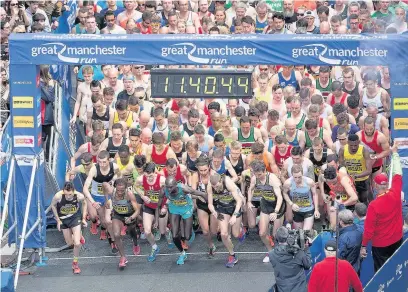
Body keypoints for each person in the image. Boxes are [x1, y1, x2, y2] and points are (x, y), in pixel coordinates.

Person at [360, 142, 404, 272]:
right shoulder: (396, 193)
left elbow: (369, 230)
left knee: (382, 273)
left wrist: (363, 246)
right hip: (397, 239)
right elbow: (398, 173)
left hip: (381, 245)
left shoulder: (373, 206)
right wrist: (395, 153)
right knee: (397, 269)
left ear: (375, 185)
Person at [160, 176, 207, 265]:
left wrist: (211, 206)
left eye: (171, 187)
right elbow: (158, 205)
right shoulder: (163, 190)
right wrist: (159, 215)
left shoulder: (184, 188)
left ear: (176, 185)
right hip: (174, 208)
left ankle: (188, 229)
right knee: (174, 236)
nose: (169, 189)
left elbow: (202, 194)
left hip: (186, 208)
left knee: (187, 237)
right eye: (167, 187)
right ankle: (182, 253)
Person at [247, 160, 285, 263]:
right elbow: (250, 189)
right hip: (265, 204)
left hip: (277, 206)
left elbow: (280, 197)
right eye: (256, 174)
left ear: (265, 171)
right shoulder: (255, 178)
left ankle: (278, 251)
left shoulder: (273, 179)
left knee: (276, 235)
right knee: (262, 233)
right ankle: (270, 252)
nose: (258, 176)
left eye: (260, 174)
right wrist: (249, 201)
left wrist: (276, 211)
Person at [83, 150, 120, 253]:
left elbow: (119, 176)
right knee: (98, 218)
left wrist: (113, 181)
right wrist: (93, 202)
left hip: (107, 197)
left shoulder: (114, 167)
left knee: (107, 221)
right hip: (96, 198)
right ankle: (99, 225)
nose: (102, 164)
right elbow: (85, 189)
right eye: (99, 162)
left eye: (104, 162)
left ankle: (113, 241)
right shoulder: (94, 169)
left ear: (109, 160)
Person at [207, 173, 245, 268]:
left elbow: (239, 201)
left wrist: (234, 216)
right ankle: (232, 255)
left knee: (235, 234)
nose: (215, 189)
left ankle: (241, 230)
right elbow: (210, 204)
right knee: (224, 234)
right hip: (222, 208)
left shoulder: (228, 182)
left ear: (220, 181)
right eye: (213, 187)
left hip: (234, 206)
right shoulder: (210, 186)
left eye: (216, 186)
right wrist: (214, 212)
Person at [50, 182, 87, 274]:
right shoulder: (58, 196)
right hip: (63, 220)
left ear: (73, 191)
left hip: (75, 218)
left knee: (77, 244)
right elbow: (53, 206)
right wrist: (58, 220)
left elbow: (85, 203)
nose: (68, 197)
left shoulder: (79, 196)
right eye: (66, 194)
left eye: (70, 194)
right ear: (63, 191)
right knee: (71, 244)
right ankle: (78, 236)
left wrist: (83, 218)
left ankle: (75, 263)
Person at [134, 162, 167, 262]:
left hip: (160, 206)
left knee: (162, 231)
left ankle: (167, 230)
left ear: (155, 172)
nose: (149, 178)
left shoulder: (162, 180)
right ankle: (154, 247)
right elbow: (135, 186)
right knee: (147, 231)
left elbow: (170, 191)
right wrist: (142, 195)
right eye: (147, 176)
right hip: (149, 206)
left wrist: (165, 205)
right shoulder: (140, 179)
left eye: (151, 176)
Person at [105, 178, 140, 268]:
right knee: (116, 235)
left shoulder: (129, 195)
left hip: (129, 215)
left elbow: (137, 210)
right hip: (117, 215)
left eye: (122, 190)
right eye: (118, 190)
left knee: (132, 231)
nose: (120, 192)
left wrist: (131, 217)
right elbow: (104, 185)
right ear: (115, 187)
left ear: (125, 188)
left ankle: (135, 243)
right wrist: (106, 200)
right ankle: (123, 257)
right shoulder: (112, 192)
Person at [269, 227, 312, 292]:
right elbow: (307, 265)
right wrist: (306, 249)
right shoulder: (298, 253)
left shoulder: (272, 254)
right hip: (299, 288)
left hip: (282, 288)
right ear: (288, 237)